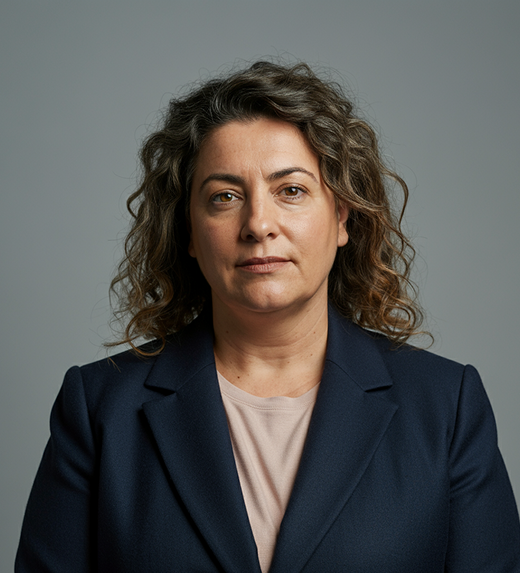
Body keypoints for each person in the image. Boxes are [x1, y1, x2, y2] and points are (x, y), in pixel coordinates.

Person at [16, 61, 520, 572]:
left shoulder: (447, 407)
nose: (258, 224)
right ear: (189, 231)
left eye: (291, 190)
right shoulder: (99, 409)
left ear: (342, 216)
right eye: (225, 197)